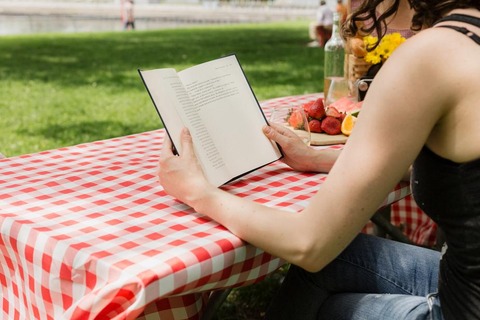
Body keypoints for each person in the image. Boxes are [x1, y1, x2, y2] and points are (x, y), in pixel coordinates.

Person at [157, 0, 480, 318]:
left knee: (323, 301)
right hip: (459, 277)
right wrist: (317, 158)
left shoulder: (432, 54)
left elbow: (308, 244)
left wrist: (196, 191)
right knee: (336, 259)